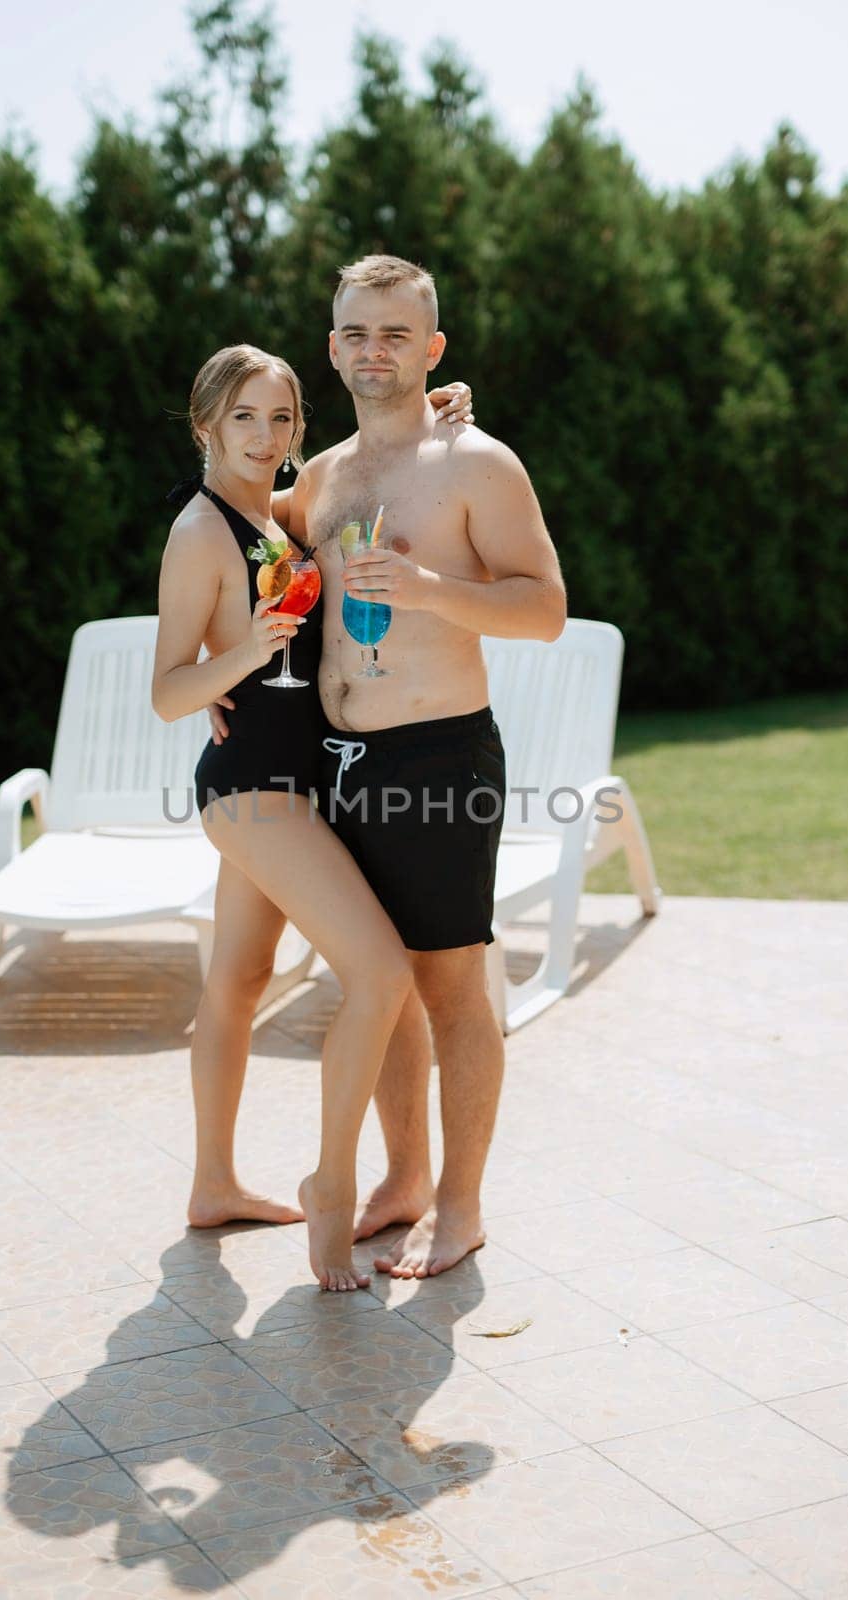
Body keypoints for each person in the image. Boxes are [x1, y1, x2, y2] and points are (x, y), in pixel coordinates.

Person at [151, 344, 472, 1291]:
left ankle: (214, 1184)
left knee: (238, 984)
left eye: (281, 417)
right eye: (244, 417)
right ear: (205, 422)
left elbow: (351, 474)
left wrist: (429, 410)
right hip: (253, 790)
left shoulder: (270, 511)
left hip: (302, 781)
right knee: (379, 972)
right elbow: (170, 693)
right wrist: (240, 654)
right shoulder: (199, 532)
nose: (265, 435)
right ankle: (331, 1188)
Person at [287, 255, 566, 1279]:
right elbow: (245, 530)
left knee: (452, 992)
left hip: (439, 754)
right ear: (332, 347)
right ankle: (402, 1181)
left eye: (398, 334)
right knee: (378, 983)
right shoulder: (317, 479)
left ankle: (461, 1205)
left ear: (432, 347)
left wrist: (425, 586)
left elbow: (545, 607)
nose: (376, 351)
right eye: (358, 333)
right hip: (335, 760)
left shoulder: (477, 464)